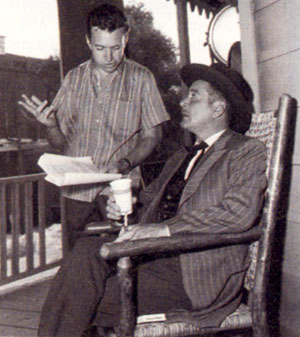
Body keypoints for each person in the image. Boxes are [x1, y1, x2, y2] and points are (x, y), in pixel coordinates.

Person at [37, 62, 267, 337]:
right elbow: (146, 204)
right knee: (86, 253)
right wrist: (127, 208)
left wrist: (163, 228)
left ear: (218, 109)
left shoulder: (245, 151)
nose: (183, 101)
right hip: (155, 259)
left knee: (78, 294)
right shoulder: (183, 156)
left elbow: (238, 213)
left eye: (194, 96)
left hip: (197, 276)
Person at [18, 4, 169, 248]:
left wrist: (126, 163)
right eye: (100, 48)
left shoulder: (142, 78)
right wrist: (52, 126)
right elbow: (60, 144)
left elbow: (153, 136)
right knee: (77, 264)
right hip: (77, 193)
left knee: (120, 260)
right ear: (89, 42)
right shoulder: (73, 79)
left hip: (119, 189)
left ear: (126, 38)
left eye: (116, 48)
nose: (108, 57)